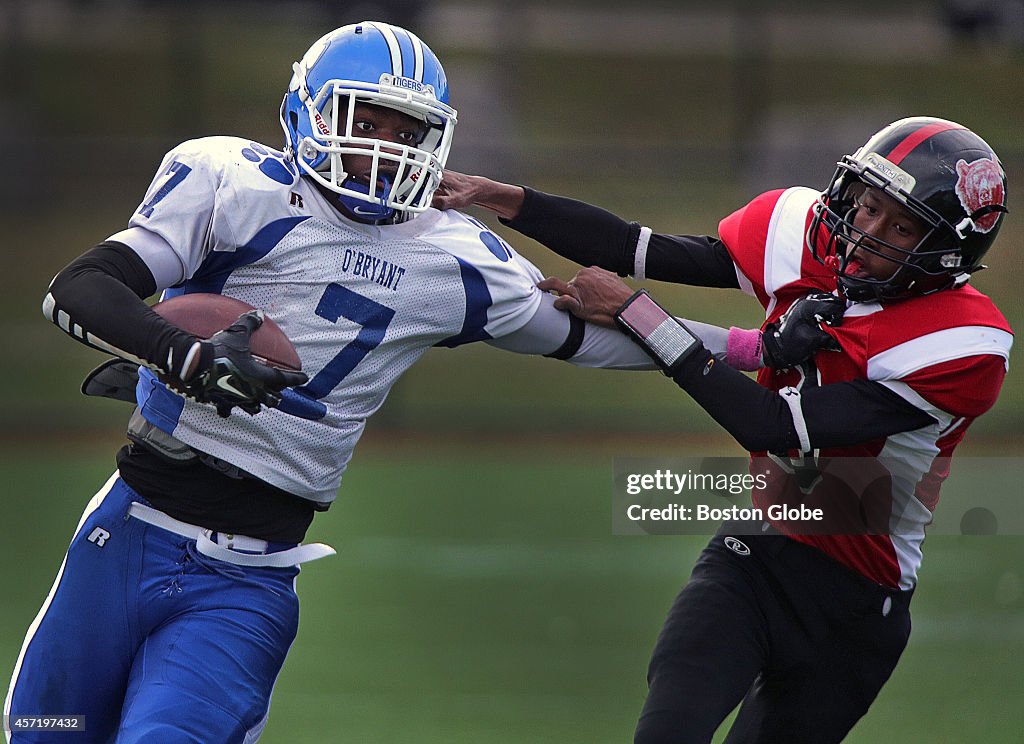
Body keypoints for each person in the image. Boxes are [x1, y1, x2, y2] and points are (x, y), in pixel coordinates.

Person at [3, 21, 831, 744]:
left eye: (406, 129)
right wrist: (183, 353)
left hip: (248, 574)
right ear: (308, 112)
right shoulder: (234, 182)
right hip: (124, 532)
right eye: (365, 120)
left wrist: (755, 347)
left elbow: (594, 339)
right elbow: (78, 287)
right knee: (41, 735)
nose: (383, 146)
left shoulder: (458, 258)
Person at [432, 116, 1013, 743]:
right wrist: (506, 200)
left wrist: (638, 313)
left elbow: (770, 425)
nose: (867, 232)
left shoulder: (960, 344)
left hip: (854, 601)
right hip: (755, 554)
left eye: (900, 226)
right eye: (869, 206)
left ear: (947, 250)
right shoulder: (808, 234)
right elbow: (637, 248)